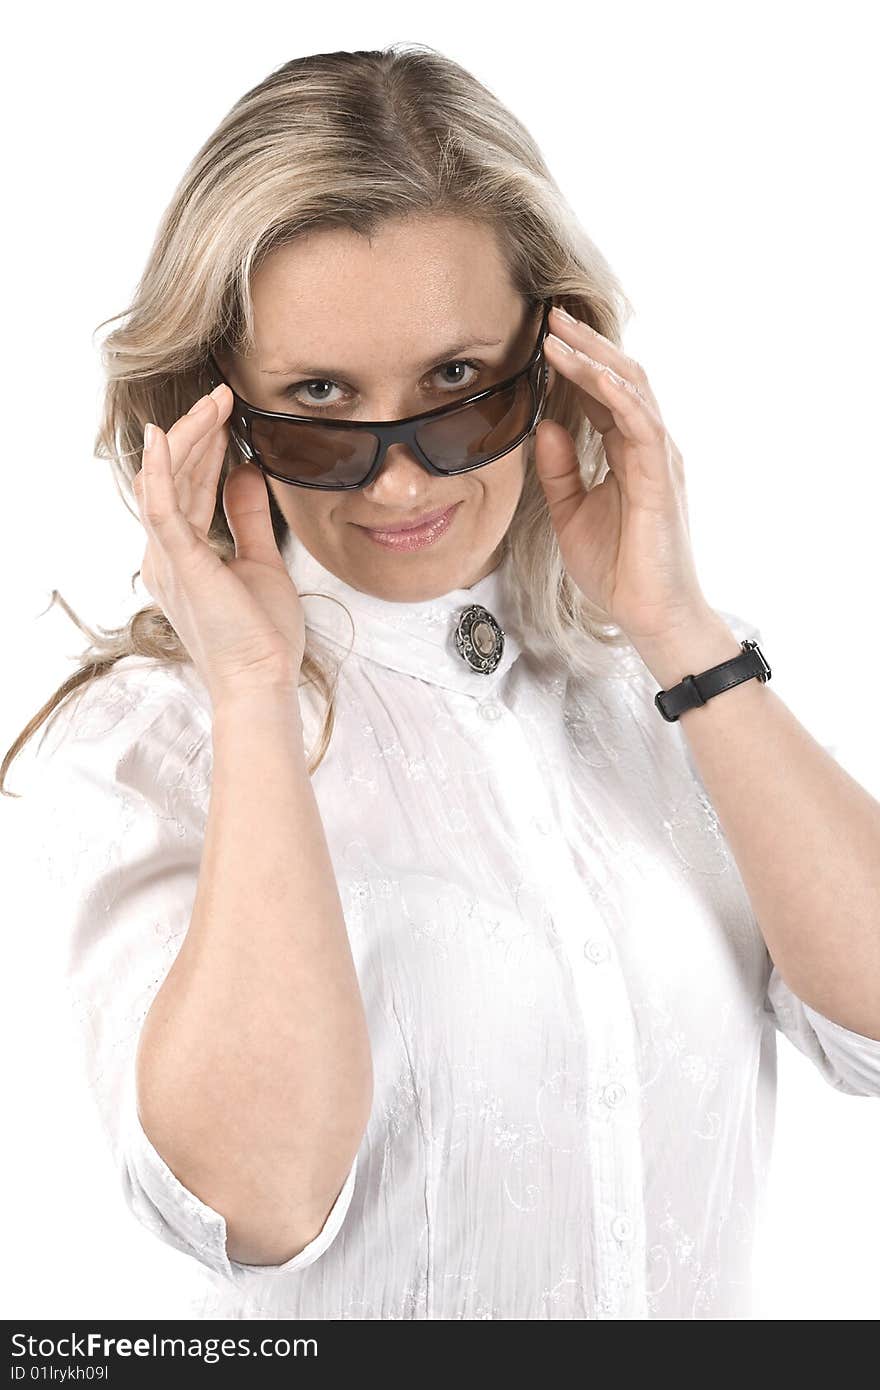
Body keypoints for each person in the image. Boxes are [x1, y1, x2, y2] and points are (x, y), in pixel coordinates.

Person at [6, 43, 880, 1322]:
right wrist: (253, 690)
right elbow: (260, 1201)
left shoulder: (671, 677)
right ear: (220, 412)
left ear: (558, 358)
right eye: (318, 402)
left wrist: (676, 627)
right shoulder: (153, 742)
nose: (402, 480)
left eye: (459, 387)